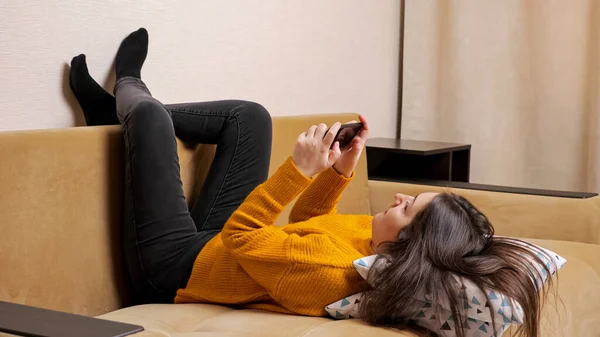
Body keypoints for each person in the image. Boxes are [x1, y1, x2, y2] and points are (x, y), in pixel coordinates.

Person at [70, 28, 551, 337]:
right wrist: (340, 171)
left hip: (175, 269)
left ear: (409, 247)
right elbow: (309, 223)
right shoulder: (375, 245)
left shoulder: (330, 275)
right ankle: (116, 115)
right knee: (249, 117)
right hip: (222, 248)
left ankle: (128, 89)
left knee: (153, 117)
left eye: (409, 208)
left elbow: (243, 239)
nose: (399, 198)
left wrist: (298, 172)